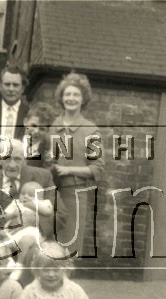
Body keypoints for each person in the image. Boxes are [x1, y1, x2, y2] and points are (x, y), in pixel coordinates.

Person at [0, 139, 67, 269]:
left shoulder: (43, 177)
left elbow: (60, 215)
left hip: (31, 241)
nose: (12, 164)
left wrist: (34, 221)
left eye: (17, 159)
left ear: (24, 160)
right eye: (7, 158)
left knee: (34, 253)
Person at [48, 72, 105, 257]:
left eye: (76, 95)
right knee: (48, 243)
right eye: (68, 94)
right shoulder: (53, 125)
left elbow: (98, 168)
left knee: (69, 246)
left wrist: (68, 169)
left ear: (83, 99)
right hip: (50, 192)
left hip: (75, 194)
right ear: (61, 97)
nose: (71, 98)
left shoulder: (91, 130)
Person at [0, 65, 29, 172]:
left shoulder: (29, 114)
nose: (11, 89)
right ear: (0, 86)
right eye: (7, 84)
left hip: (18, 170)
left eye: (15, 85)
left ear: (22, 88)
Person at [4, 181, 54, 283]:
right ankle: (9, 262)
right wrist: (13, 215)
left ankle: (19, 265)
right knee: (3, 242)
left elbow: (48, 212)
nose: (25, 196)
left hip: (31, 233)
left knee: (25, 241)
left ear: (40, 198)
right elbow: (4, 216)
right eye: (23, 194)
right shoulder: (16, 203)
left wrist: (32, 205)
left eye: (31, 195)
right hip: (14, 233)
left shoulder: (43, 203)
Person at [22, 102, 57, 169]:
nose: (36, 131)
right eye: (33, 125)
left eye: (42, 129)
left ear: (47, 130)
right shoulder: (12, 143)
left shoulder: (47, 154)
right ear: (25, 122)